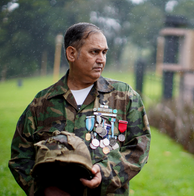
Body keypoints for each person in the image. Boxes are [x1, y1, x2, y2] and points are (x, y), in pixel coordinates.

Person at [8, 22, 151, 196]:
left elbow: (139, 146)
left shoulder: (124, 96)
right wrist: (43, 190)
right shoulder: (42, 103)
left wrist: (105, 172)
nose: (101, 59)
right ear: (71, 53)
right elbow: (20, 157)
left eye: (104, 52)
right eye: (94, 52)